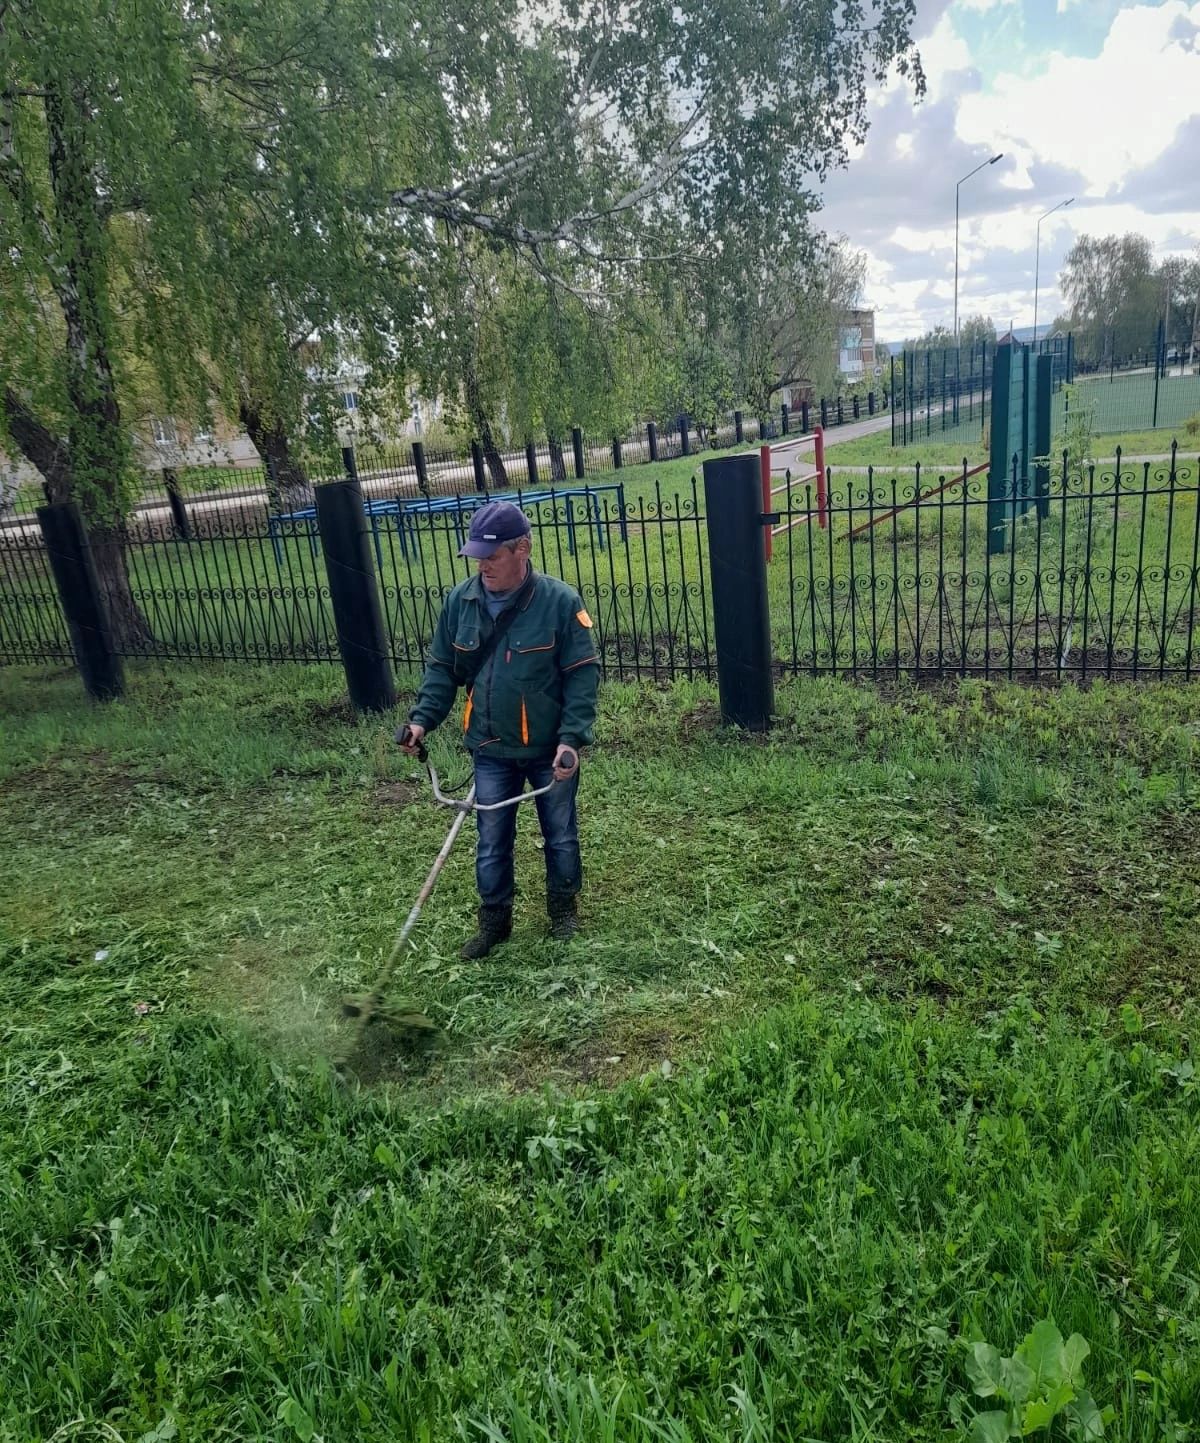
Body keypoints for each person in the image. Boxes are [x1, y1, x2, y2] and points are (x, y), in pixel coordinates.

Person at [398, 500, 599, 957]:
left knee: (561, 833)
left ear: (522, 549)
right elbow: (442, 670)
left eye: (492, 557)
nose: (482, 566)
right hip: (489, 746)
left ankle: (563, 910)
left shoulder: (560, 602)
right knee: (491, 840)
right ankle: (494, 922)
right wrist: (421, 722)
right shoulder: (460, 602)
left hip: (549, 750)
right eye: (477, 557)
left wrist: (571, 740)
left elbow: (583, 675)